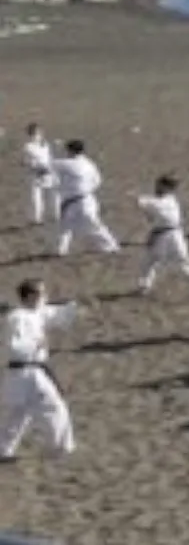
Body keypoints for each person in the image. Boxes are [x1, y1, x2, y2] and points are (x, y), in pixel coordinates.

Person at [0, 279, 86, 461]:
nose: (45, 297)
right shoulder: (17, 318)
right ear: (30, 296)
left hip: (27, 373)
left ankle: (3, 448)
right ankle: (61, 447)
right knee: (53, 406)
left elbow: (55, 314)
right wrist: (36, 344)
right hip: (26, 371)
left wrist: (75, 307)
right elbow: (14, 347)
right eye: (42, 293)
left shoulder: (36, 313)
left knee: (18, 413)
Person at [135, 175, 189, 295]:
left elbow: (144, 203)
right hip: (171, 234)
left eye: (159, 185)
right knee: (150, 260)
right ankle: (144, 286)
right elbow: (150, 209)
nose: (156, 188)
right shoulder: (169, 200)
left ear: (165, 187)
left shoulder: (163, 201)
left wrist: (134, 197)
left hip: (167, 235)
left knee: (180, 261)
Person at [49, 139, 120, 257]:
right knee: (73, 225)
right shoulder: (89, 164)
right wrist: (86, 188)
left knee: (79, 225)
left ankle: (112, 245)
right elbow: (97, 181)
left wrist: (52, 149)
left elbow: (48, 164)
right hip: (87, 199)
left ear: (70, 151)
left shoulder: (67, 164)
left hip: (75, 202)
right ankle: (61, 250)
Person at [21, 123, 57, 225]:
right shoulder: (28, 147)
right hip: (35, 175)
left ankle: (55, 215)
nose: (37, 135)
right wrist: (35, 167)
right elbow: (26, 161)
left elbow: (49, 158)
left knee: (53, 195)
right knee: (36, 198)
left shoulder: (45, 145)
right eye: (35, 134)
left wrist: (51, 168)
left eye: (39, 133)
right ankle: (36, 218)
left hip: (48, 173)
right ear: (30, 135)